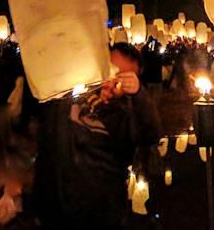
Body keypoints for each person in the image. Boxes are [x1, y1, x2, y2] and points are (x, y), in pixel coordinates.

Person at [33, 42, 158, 228]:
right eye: (109, 72)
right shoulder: (69, 96)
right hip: (54, 207)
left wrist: (140, 95)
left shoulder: (124, 117)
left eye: (121, 80)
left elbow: (150, 133)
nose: (110, 83)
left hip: (100, 213)